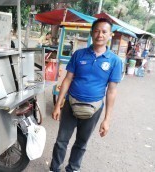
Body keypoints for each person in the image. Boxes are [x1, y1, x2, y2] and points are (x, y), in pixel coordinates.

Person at [49, 18, 122, 172]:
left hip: (94, 109)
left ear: (110, 35)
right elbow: (67, 79)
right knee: (61, 140)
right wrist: (58, 105)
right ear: (91, 33)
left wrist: (107, 119)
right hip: (70, 104)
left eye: (104, 31)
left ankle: (73, 168)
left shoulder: (115, 61)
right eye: (96, 31)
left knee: (81, 142)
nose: (100, 34)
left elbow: (111, 91)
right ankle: (54, 168)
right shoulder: (79, 54)